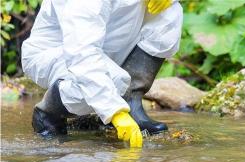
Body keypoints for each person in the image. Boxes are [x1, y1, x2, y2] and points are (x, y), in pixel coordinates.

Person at [21, 0, 183, 147]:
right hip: (58, 52)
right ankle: (48, 113)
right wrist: (114, 111)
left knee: (170, 11)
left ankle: (130, 103)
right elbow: (82, 54)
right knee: (114, 82)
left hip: (108, 46)